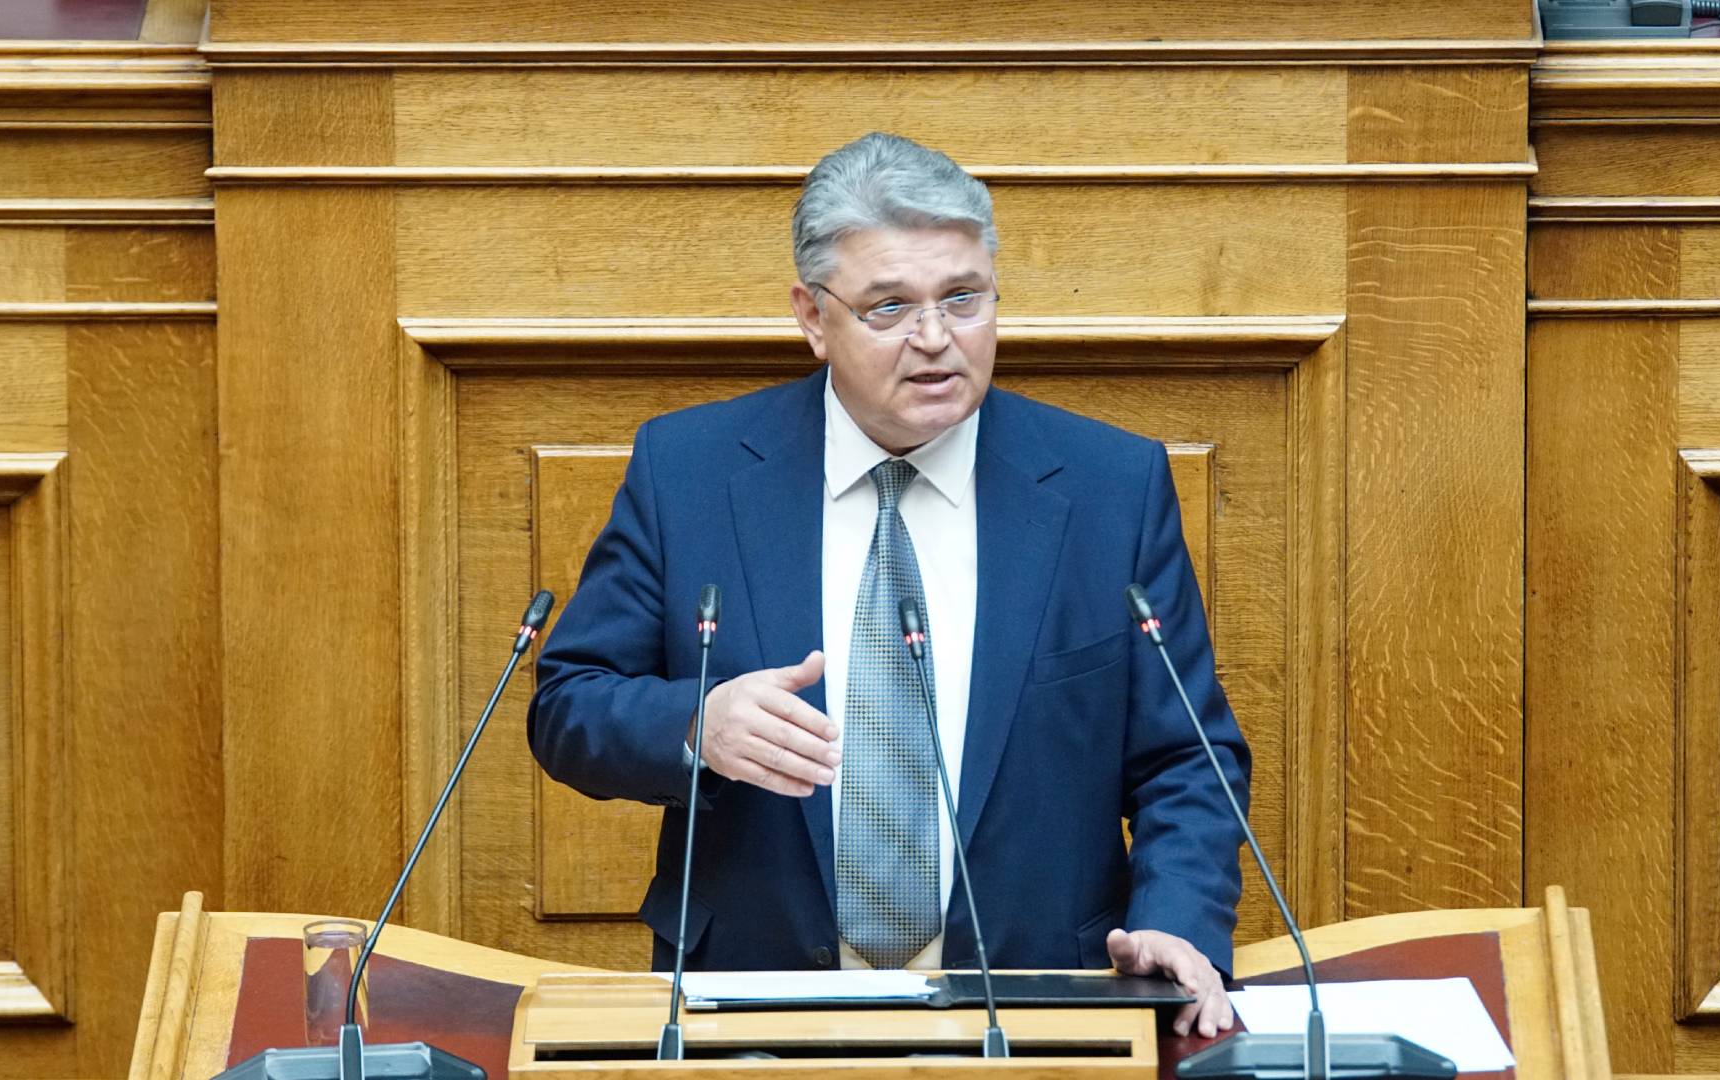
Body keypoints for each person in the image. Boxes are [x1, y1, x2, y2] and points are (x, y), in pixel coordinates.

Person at [529, 132, 1248, 1037]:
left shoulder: (1111, 488)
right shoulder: (690, 473)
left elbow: (1189, 758)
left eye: (963, 298)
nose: (936, 339)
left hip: (1039, 1006)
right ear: (812, 316)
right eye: (890, 307)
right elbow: (570, 705)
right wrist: (695, 724)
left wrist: (1175, 923)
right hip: (753, 1010)